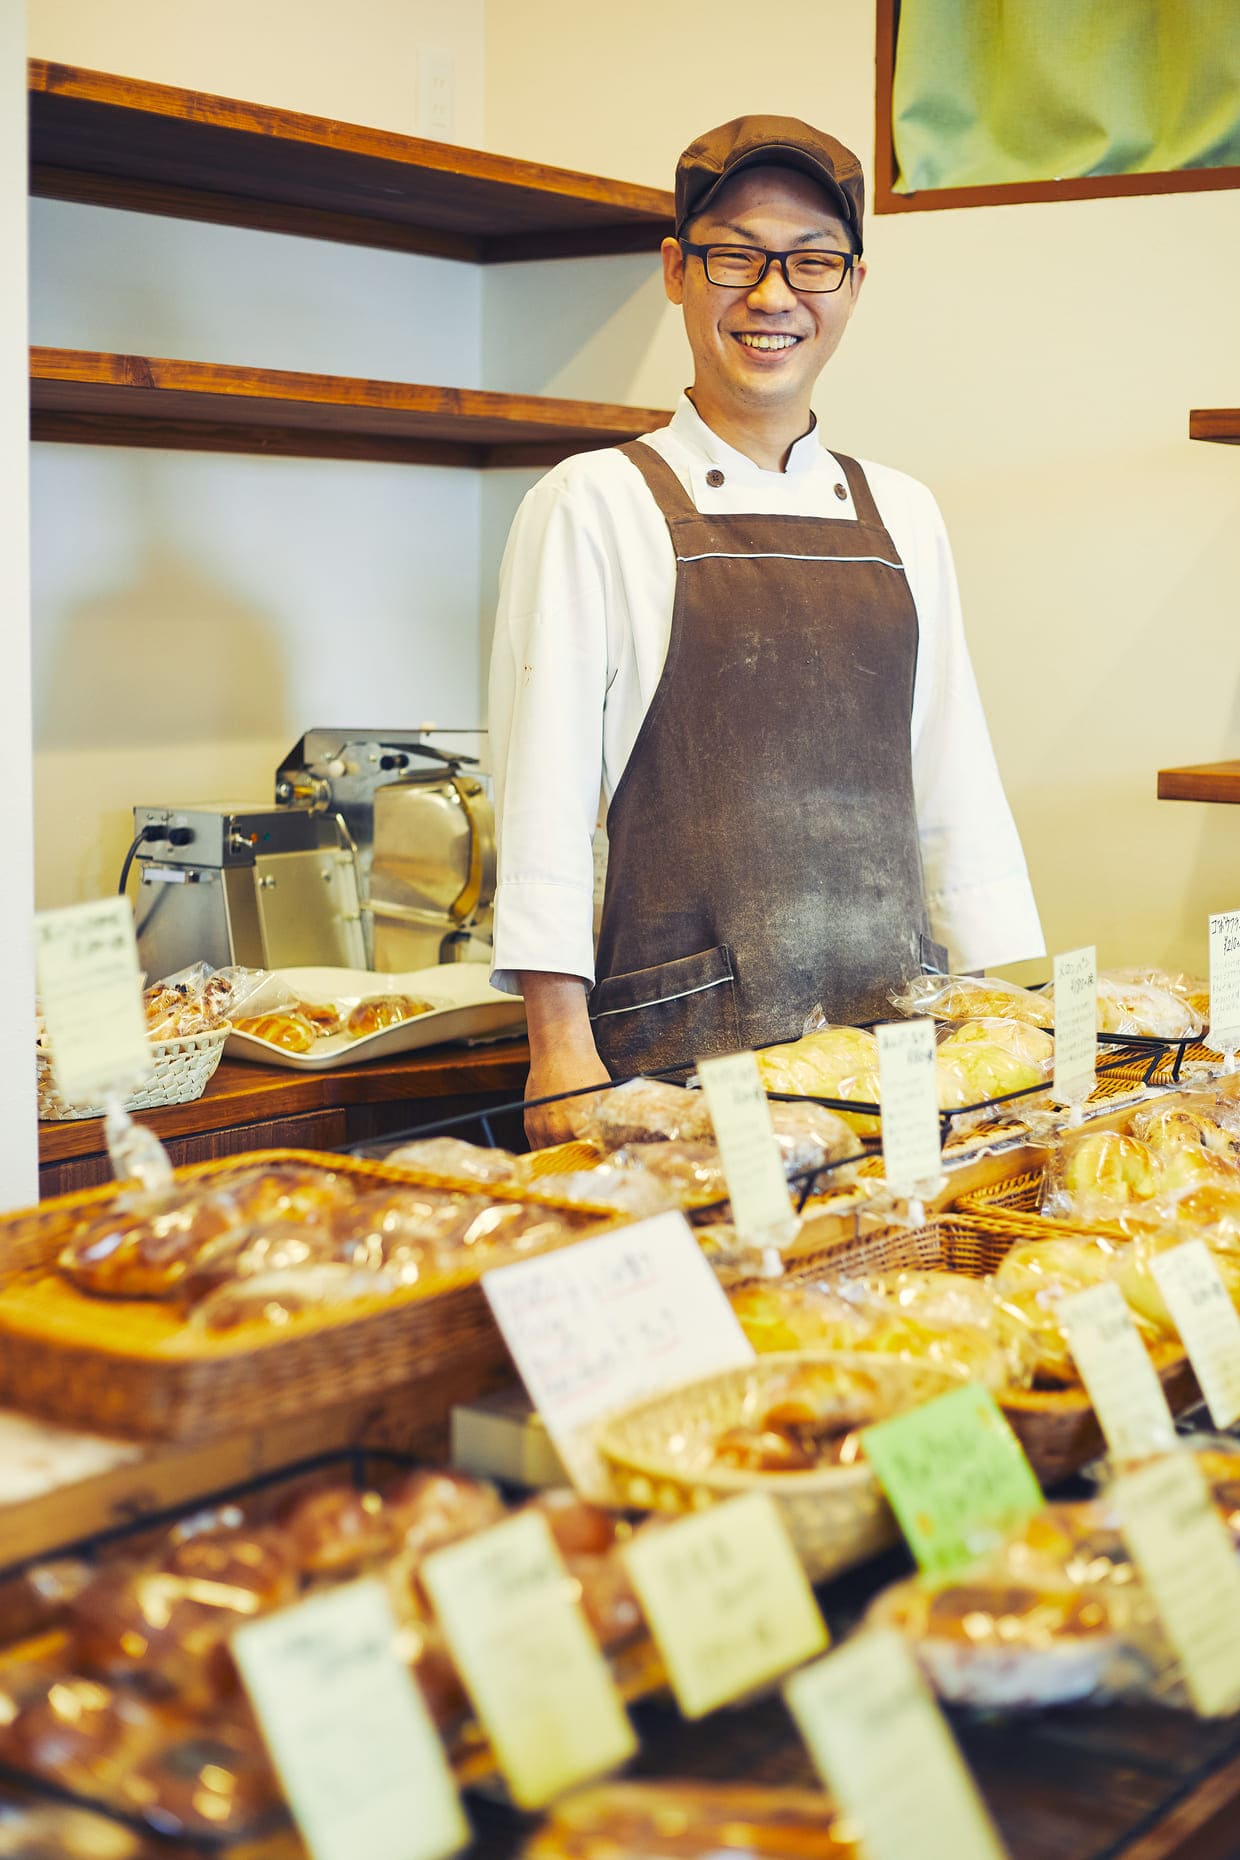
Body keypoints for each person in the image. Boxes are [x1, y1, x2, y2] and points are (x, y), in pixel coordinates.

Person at [488, 114, 1043, 1145]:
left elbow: (950, 773)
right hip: (681, 1061)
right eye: (736, 255)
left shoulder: (902, 512)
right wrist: (556, 1047)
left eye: (812, 262)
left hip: (896, 1049)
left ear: (854, 285)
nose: (773, 294)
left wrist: (1001, 1024)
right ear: (676, 270)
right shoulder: (593, 503)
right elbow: (542, 796)